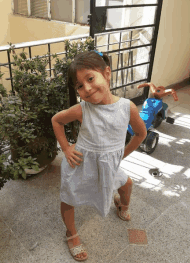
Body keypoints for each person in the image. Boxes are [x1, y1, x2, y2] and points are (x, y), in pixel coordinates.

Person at [51, 50, 147, 261]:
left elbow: (141, 134)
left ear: (107, 73)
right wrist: (66, 149)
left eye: (90, 78)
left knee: (127, 185)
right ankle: (71, 233)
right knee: (69, 198)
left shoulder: (127, 108)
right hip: (82, 164)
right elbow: (56, 120)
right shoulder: (82, 110)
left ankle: (122, 204)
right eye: (79, 86)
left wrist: (120, 155)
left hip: (107, 165)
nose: (86, 88)